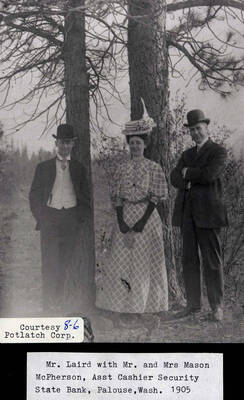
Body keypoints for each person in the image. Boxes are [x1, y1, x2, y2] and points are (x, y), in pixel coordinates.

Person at [96, 117, 168, 324]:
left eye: (139, 142)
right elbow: (117, 197)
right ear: (129, 145)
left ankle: (142, 308)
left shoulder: (154, 168)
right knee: (121, 261)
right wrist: (121, 222)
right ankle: (119, 307)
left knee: (143, 263)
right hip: (125, 216)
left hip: (147, 218)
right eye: (132, 142)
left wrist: (141, 223)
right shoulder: (121, 168)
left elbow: (156, 197)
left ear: (145, 144)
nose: (135, 146)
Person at [170, 109, 228, 322]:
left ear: (206, 127)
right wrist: (190, 175)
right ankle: (193, 305)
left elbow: (210, 174)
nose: (195, 133)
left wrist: (188, 173)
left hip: (209, 214)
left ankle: (217, 307)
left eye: (198, 128)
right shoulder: (186, 154)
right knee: (189, 260)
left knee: (212, 261)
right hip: (188, 214)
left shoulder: (218, 152)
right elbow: (174, 177)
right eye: (192, 129)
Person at [29, 124, 90, 313]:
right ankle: (48, 305)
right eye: (62, 142)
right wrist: (43, 217)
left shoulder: (79, 168)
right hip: (50, 219)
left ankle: (59, 303)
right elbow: (34, 196)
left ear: (73, 144)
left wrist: (78, 219)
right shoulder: (43, 167)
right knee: (50, 263)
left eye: (69, 143)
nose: (65, 146)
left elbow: (86, 198)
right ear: (56, 143)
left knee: (64, 263)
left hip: (70, 220)